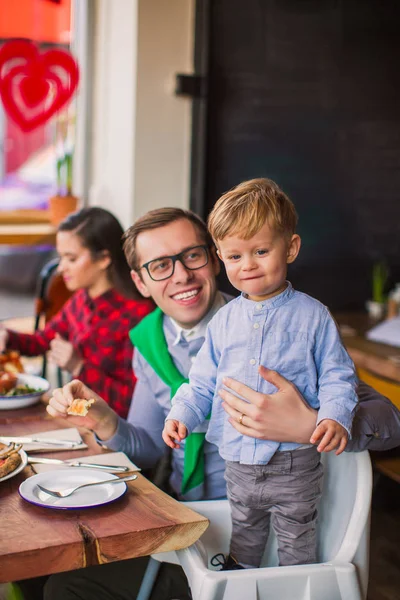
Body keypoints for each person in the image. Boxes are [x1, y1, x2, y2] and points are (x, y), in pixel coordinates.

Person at [43, 207, 400, 600]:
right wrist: (104, 418)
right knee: (58, 572)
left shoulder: (283, 326)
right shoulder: (148, 343)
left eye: (192, 255)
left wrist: (308, 424)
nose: (181, 275)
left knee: (69, 585)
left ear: (213, 258)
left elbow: (389, 423)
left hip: (266, 533)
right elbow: (149, 449)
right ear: (140, 282)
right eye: (160, 265)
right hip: (190, 527)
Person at [163, 178, 357, 569]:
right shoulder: (223, 321)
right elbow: (202, 382)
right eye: (234, 257)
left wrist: (335, 415)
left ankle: (294, 584)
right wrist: (181, 413)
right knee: (245, 530)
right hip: (237, 459)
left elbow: (338, 375)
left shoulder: (313, 315)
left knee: (297, 532)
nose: (247, 265)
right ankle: (242, 581)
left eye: (261, 251)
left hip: (294, 461)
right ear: (220, 257)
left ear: (291, 247)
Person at [0, 207, 154, 418]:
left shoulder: (140, 316)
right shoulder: (81, 300)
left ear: (104, 259)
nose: (61, 268)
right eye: (61, 257)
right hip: (81, 420)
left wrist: (79, 366)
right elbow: (42, 341)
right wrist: (7, 337)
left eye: (71, 259)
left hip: (118, 433)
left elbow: (133, 403)